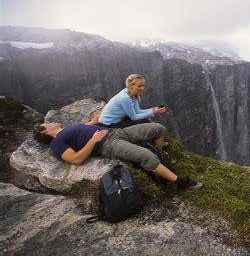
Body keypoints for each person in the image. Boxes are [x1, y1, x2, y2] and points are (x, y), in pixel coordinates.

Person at [33, 122, 198, 188]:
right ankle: (179, 182)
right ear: (45, 130)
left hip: (117, 133)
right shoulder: (56, 143)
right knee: (147, 157)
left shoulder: (67, 129)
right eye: (46, 123)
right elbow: (76, 160)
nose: (50, 121)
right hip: (108, 144)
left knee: (158, 128)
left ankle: (162, 154)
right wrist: (93, 140)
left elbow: (89, 124)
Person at [87, 73, 166, 128]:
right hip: (109, 124)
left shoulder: (131, 94)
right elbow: (134, 117)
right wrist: (153, 112)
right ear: (131, 85)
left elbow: (137, 111)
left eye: (143, 86)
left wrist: (153, 110)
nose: (142, 88)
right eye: (139, 86)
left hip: (114, 120)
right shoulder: (125, 98)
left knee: (146, 119)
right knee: (146, 121)